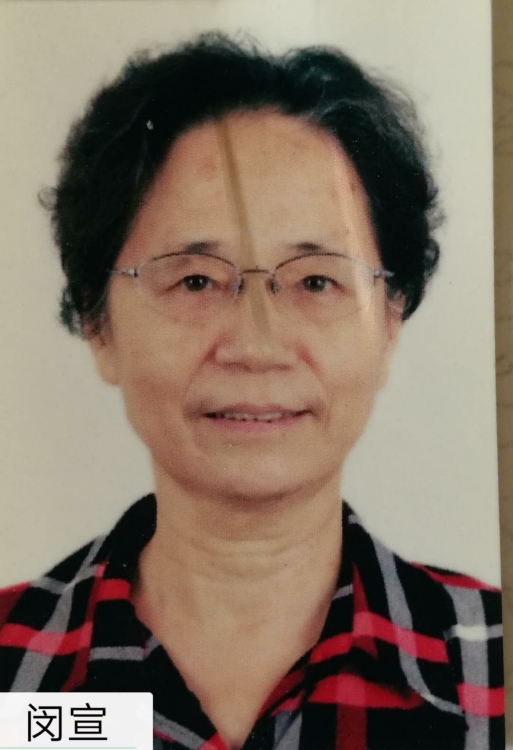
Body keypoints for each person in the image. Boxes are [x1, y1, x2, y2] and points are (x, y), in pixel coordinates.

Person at [0, 33, 504, 750]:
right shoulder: (14, 668)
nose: (256, 346)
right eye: (196, 280)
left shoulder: (490, 664)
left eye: (315, 280)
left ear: (390, 320)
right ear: (97, 322)